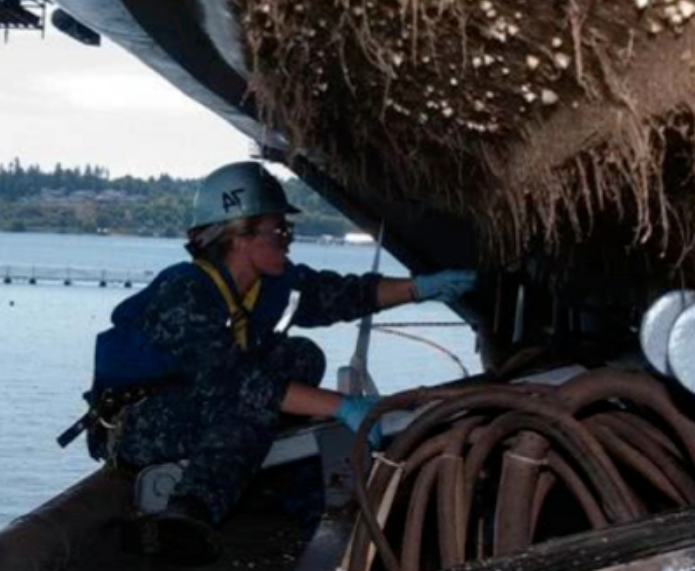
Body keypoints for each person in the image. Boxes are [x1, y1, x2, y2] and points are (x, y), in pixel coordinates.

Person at [86, 161, 475, 564]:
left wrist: (418, 289)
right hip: (140, 424)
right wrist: (341, 405)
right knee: (251, 397)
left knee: (302, 356)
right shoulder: (185, 292)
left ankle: (266, 476)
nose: (288, 239)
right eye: (279, 230)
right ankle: (189, 513)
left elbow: (337, 295)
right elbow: (233, 381)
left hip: (200, 403)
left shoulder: (268, 284)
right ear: (238, 235)